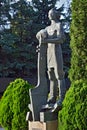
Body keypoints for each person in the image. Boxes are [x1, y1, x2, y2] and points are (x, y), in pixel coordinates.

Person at [36, 8, 66, 112]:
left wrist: (46, 40)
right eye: (49, 13)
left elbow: (61, 39)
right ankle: (52, 97)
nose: (50, 14)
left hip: (56, 53)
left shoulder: (59, 25)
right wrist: (41, 42)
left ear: (55, 14)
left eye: (51, 13)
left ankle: (62, 97)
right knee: (51, 76)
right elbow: (40, 37)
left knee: (59, 75)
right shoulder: (47, 28)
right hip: (49, 54)